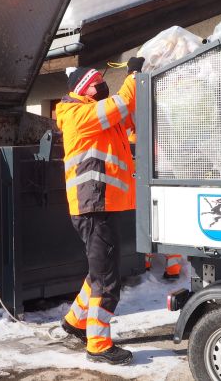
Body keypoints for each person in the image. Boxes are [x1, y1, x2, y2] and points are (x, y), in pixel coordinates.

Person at [56, 57, 144, 366]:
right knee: (107, 280)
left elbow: (125, 116)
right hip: (93, 205)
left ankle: (75, 321)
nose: (101, 85)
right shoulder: (79, 114)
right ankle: (99, 343)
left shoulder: (95, 116)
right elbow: (122, 104)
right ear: (84, 89)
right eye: (96, 82)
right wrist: (134, 75)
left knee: (99, 272)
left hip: (99, 205)